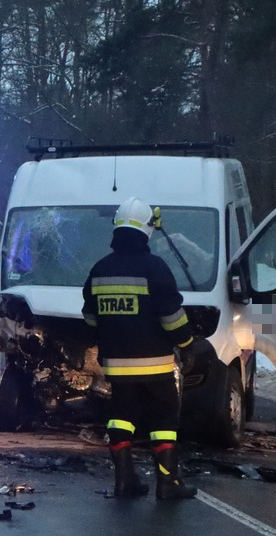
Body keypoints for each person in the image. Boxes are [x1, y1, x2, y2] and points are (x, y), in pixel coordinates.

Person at [82, 197, 202, 500]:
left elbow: (90, 317)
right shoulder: (155, 267)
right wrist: (187, 345)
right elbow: (172, 316)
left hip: (117, 367)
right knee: (163, 422)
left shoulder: (100, 269)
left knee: (121, 418)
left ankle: (124, 481)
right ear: (148, 230)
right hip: (156, 365)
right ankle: (167, 483)